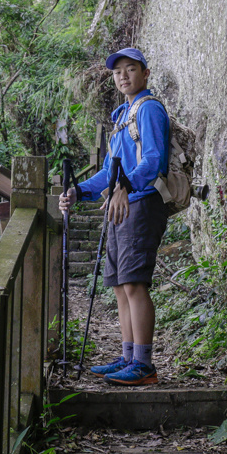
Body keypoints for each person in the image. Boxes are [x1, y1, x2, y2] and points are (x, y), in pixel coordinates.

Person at [59, 47, 170, 385]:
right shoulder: (122, 117)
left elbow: (154, 160)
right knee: (121, 287)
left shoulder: (149, 109)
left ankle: (144, 364)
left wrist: (125, 185)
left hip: (142, 202)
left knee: (134, 283)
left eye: (131, 69)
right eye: (118, 71)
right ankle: (127, 356)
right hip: (121, 206)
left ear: (145, 73)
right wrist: (78, 192)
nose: (123, 75)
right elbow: (109, 171)